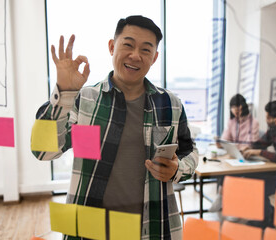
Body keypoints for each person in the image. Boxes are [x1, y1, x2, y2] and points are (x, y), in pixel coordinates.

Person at [31, 15, 198, 240]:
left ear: (155, 57)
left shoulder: (170, 103)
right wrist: (63, 94)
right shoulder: (85, 100)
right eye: (128, 45)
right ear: (112, 47)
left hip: (152, 227)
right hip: (91, 228)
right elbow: (43, 151)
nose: (135, 55)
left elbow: (190, 151)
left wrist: (178, 169)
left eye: (146, 50)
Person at [210, 94, 259, 212]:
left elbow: (250, 144)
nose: (236, 110)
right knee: (223, 167)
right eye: (233, 107)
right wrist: (220, 143)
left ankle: (224, 200)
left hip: (247, 157)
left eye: (238, 106)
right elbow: (226, 138)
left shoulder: (253, 123)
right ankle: (223, 200)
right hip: (235, 156)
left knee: (229, 171)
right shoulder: (231, 121)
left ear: (244, 107)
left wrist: (235, 147)